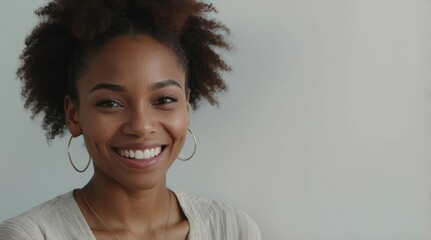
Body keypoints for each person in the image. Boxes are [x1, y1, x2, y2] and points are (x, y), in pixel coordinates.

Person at [0, 0, 261, 239]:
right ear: (74, 115)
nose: (141, 126)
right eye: (110, 103)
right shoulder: (32, 235)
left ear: (187, 105)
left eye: (165, 100)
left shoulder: (232, 229)